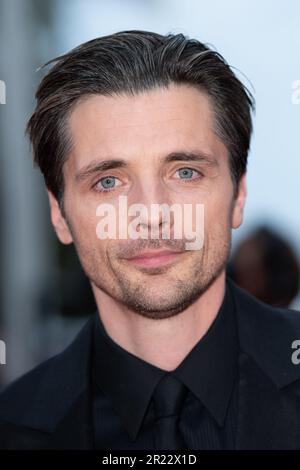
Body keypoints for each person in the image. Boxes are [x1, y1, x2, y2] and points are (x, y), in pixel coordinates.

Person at [1, 30, 300, 450]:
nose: (151, 213)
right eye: (108, 181)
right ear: (59, 214)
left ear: (239, 196)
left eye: (185, 172)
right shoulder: (12, 427)